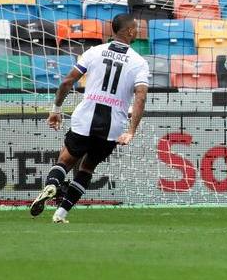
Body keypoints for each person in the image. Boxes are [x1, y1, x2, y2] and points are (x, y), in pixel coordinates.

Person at [29, 14, 149, 223]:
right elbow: (141, 97)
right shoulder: (139, 62)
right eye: (136, 28)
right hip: (112, 128)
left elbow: (67, 82)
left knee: (64, 162)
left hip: (85, 119)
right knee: (87, 169)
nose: (137, 31)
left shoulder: (94, 52)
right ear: (130, 31)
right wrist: (131, 131)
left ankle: (53, 184)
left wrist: (56, 109)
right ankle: (61, 213)